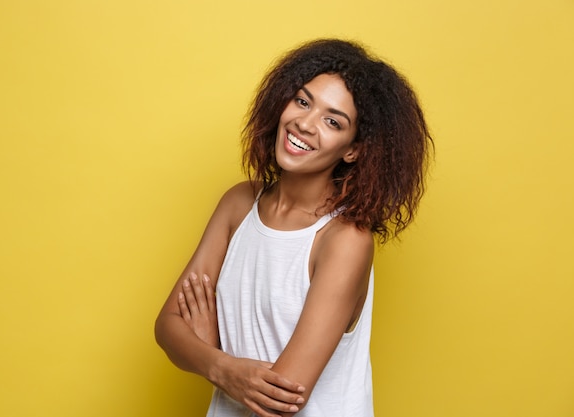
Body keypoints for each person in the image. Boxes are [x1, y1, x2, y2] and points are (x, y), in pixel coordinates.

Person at [155, 38, 432, 417]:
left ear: (353, 150)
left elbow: (284, 398)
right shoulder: (238, 205)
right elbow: (167, 326)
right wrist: (221, 364)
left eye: (333, 121)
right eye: (302, 101)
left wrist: (208, 354)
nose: (304, 123)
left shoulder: (345, 240)